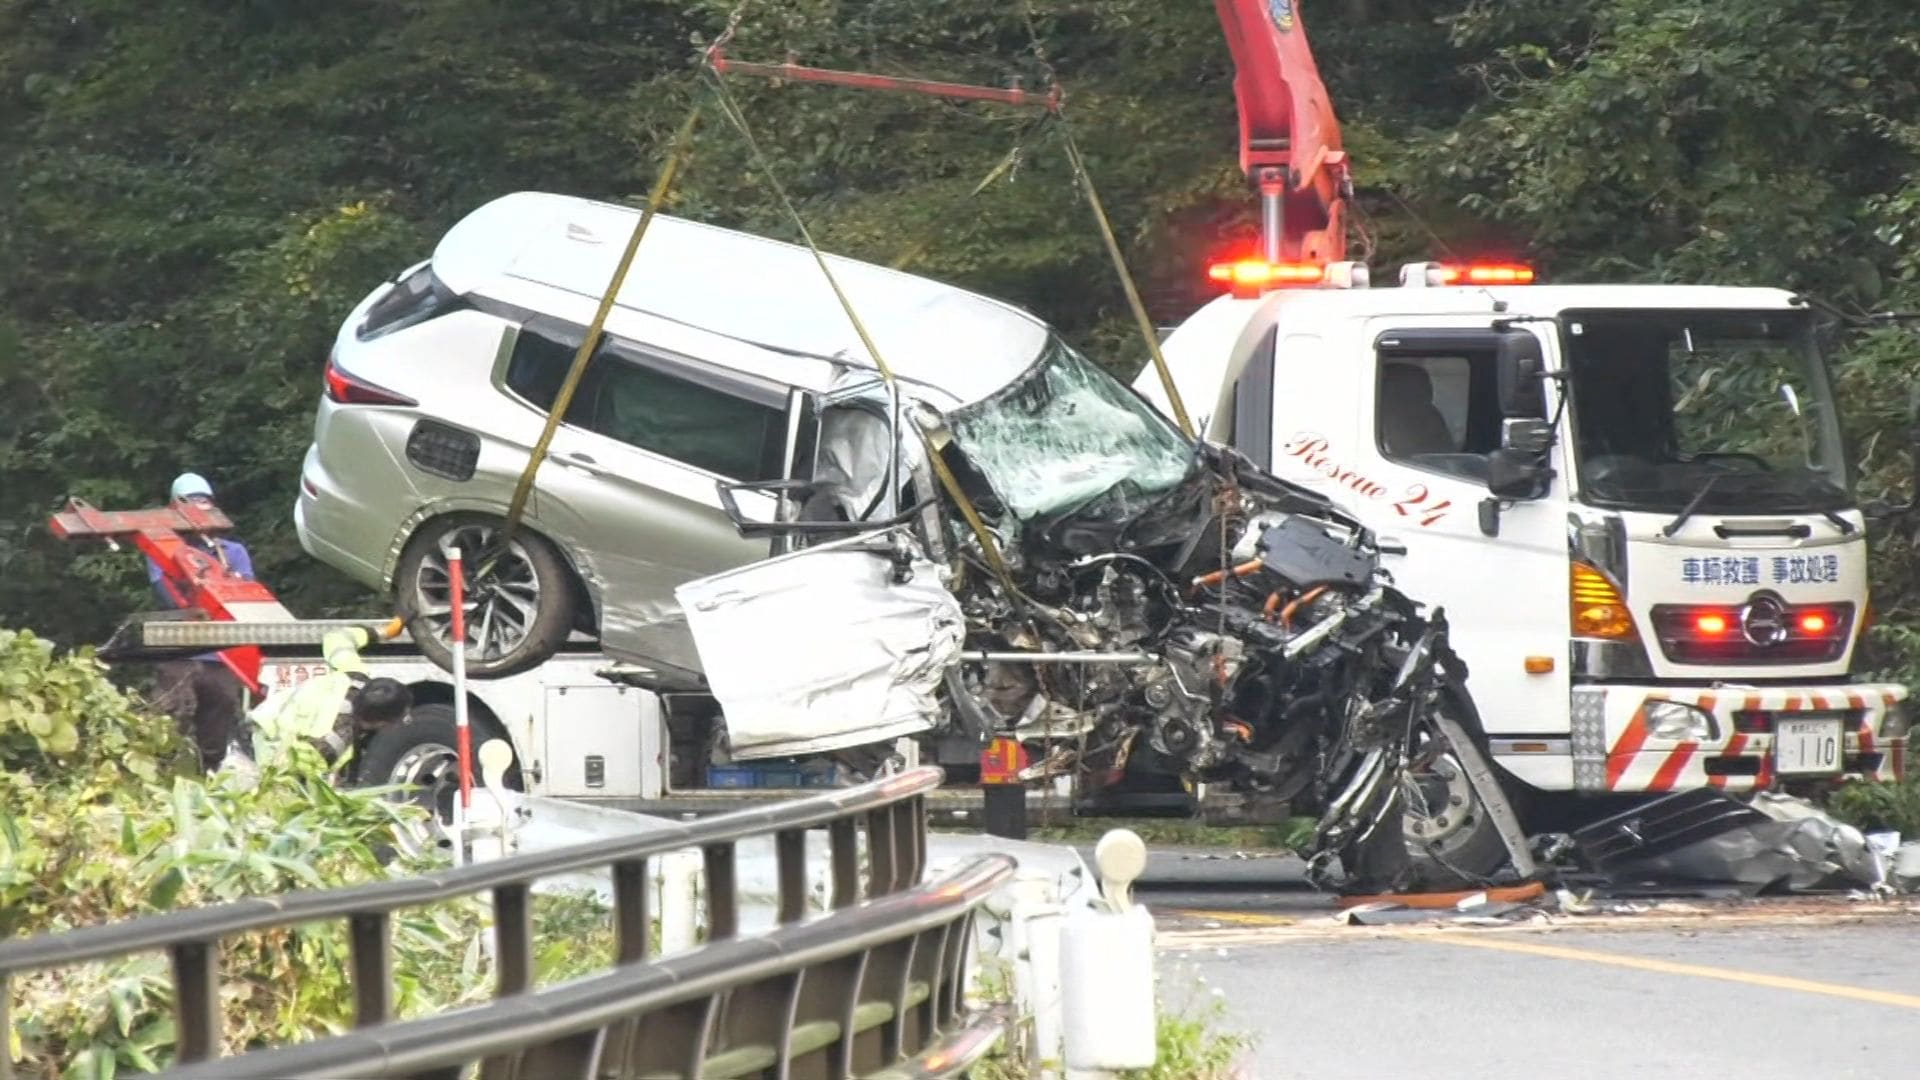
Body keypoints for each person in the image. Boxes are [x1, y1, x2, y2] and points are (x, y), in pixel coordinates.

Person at [147, 472, 257, 772]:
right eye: (192, 502)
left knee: (218, 726)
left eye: (204, 501)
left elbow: (245, 595)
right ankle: (162, 780)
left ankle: (211, 779)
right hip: (180, 652)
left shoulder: (233, 552)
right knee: (170, 723)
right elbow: (166, 591)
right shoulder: (163, 549)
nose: (200, 507)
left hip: (221, 655)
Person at [239, 626, 412, 783]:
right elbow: (285, 773)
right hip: (259, 745)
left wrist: (383, 631)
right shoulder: (332, 740)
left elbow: (337, 637)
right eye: (399, 717)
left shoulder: (354, 676)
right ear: (380, 721)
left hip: (264, 718)